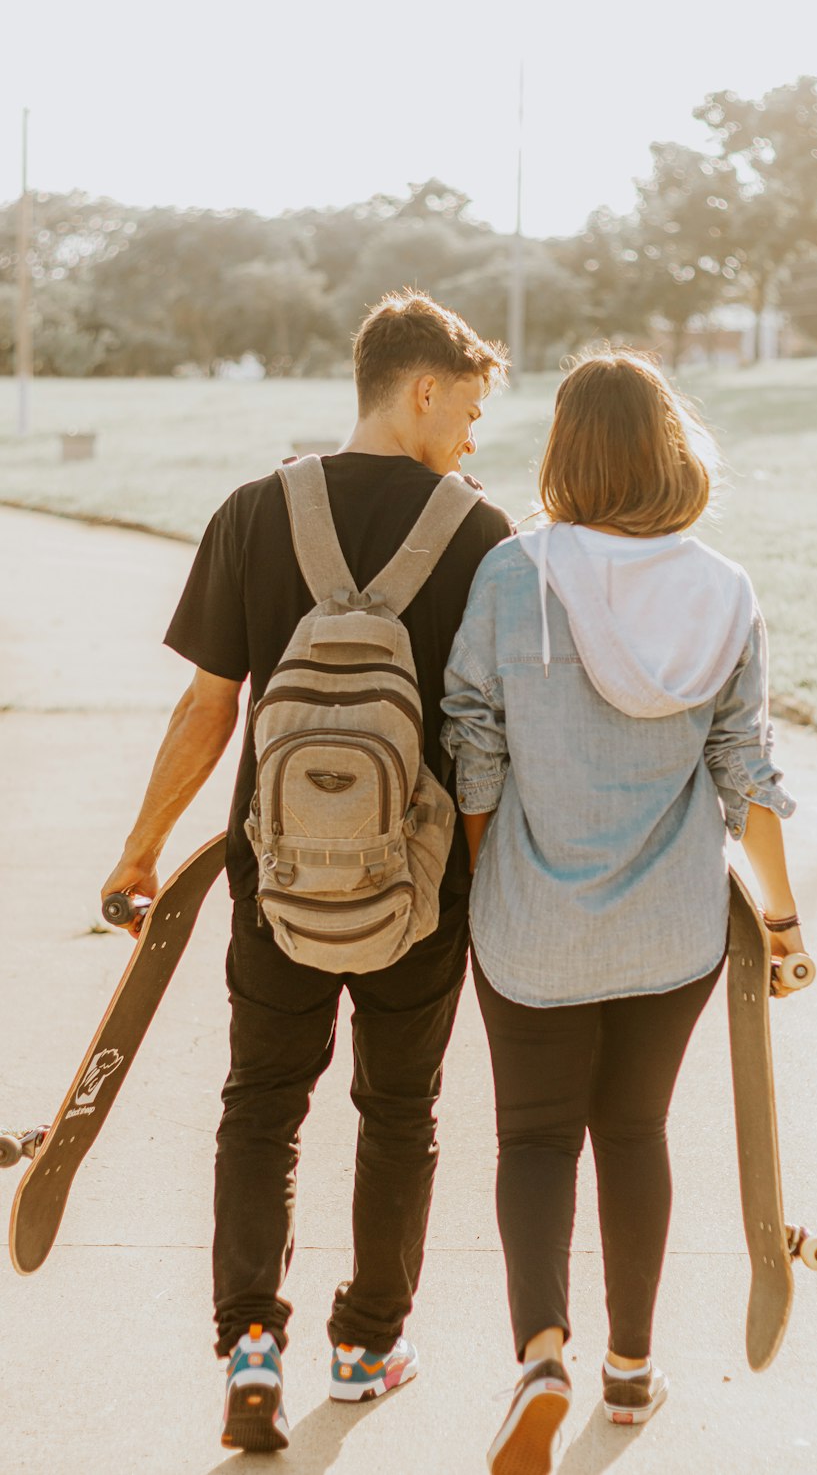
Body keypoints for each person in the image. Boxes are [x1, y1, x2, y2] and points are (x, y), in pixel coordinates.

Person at [101, 290, 511, 1453]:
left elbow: (207, 708)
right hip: (420, 898)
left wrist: (140, 847)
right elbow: (495, 739)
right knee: (398, 1114)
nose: (472, 437)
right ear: (421, 389)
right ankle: (368, 1343)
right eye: (469, 409)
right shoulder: (482, 538)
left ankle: (250, 1346)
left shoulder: (251, 511)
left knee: (261, 1108)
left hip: (272, 890)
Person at [441, 350, 803, 1475]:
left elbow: (474, 750)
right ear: (669, 447)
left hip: (530, 926)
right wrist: (781, 923)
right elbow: (746, 773)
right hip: (673, 930)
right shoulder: (724, 589)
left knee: (534, 1135)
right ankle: (633, 1368)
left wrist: (503, 874)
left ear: (566, 450)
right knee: (635, 1132)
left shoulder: (513, 576)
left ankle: (541, 1354)